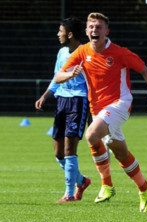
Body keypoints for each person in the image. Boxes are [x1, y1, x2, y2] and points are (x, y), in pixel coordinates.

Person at [54, 12, 147, 212]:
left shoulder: (119, 52)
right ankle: (144, 187)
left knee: (91, 134)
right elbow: (59, 76)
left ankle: (106, 185)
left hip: (120, 104)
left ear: (106, 32)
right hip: (98, 110)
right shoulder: (81, 52)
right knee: (120, 152)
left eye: (99, 27)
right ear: (86, 31)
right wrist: (70, 74)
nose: (95, 30)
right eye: (91, 27)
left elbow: (145, 71)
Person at [35, 17, 91, 203]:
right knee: (58, 153)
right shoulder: (61, 53)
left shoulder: (86, 53)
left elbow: (93, 83)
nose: (58, 34)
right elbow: (56, 77)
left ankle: (69, 194)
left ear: (70, 34)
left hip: (79, 101)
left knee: (69, 148)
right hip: (61, 102)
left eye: (61, 31)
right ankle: (81, 181)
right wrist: (45, 96)